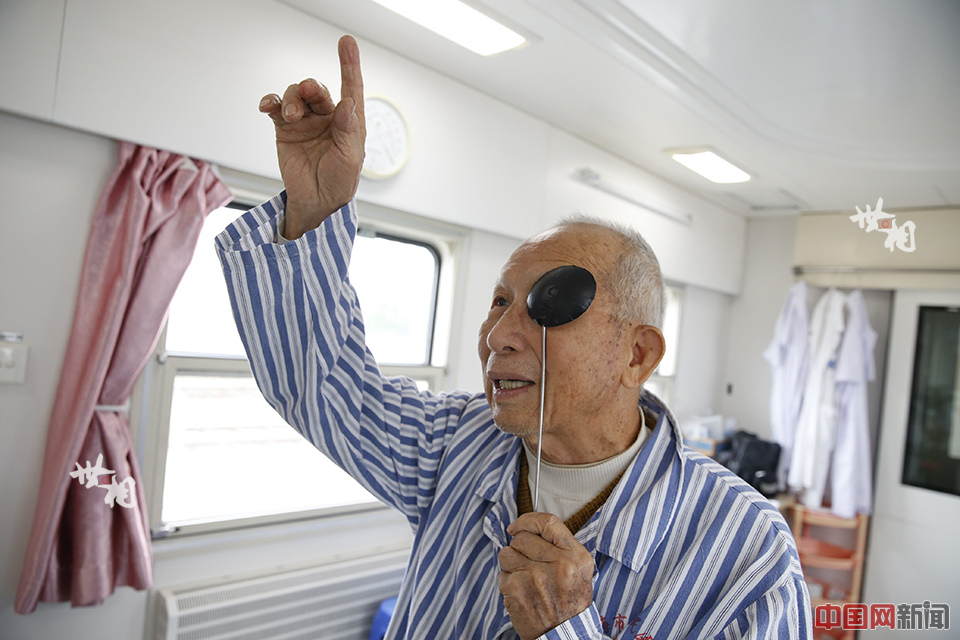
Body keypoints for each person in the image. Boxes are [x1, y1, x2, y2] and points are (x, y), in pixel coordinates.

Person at [216, 35, 811, 639]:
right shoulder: (455, 443)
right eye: (499, 301)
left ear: (637, 354)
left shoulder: (746, 555)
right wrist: (317, 211)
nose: (498, 334)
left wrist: (565, 630)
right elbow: (320, 385)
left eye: (548, 306)